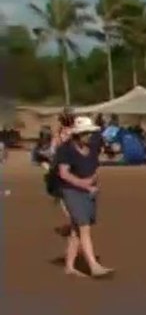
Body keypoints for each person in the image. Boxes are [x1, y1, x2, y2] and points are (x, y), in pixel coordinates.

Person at [56, 116, 112, 278]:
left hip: (88, 191)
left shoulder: (93, 147)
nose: (89, 136)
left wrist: (92, 185)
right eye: (86, 133)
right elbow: (63, 173)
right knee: (84, 227)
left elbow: (95, 168)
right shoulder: (66, 149)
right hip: (71, 191)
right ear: (77, 135)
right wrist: (83, 184)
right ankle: (93, 265)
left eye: (90, 133)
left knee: (76, 230)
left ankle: (69, 266)